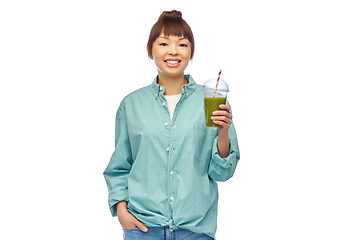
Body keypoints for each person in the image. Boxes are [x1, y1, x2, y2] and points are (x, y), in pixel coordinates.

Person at [103, 10, 240, 240]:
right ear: (150, 50)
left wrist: (223, 133)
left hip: (195, 231)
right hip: (143, 228)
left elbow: (221, 173)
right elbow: (119, 166)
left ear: (191, 52)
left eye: (182, 44)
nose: (173, 51)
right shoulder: (131, 105)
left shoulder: (212, 100)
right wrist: (121, 210)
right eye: (164, 43)